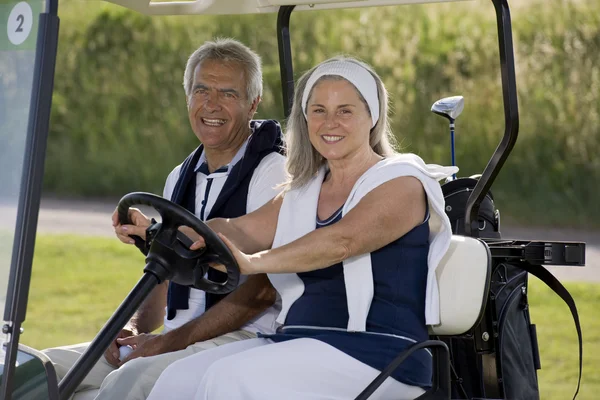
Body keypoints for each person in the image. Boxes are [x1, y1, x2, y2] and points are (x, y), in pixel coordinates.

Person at [145, 56, 458, 400]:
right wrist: (160, 234)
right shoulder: (304, 190)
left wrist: (255, 262)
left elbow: (341, 241)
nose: (330, 123)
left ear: (372, 117)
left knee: (231, 379)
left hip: (379, 352)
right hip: (296, 341)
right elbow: (239, 230)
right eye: (318, 110)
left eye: (345, 111)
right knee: (177, 380)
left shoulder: (402, 180)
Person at [43, 38, 287, 400]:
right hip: (179, 337)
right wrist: (131, 327)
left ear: (253, 103)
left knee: (128, 381)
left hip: (243, 338)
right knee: (38, 369)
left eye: (228, 94)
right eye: (201, 90)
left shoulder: (273, 174)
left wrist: (167, 342)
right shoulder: (181, 175)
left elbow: (262, 291)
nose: (211, 104)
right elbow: (166, 273)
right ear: (188, 97)